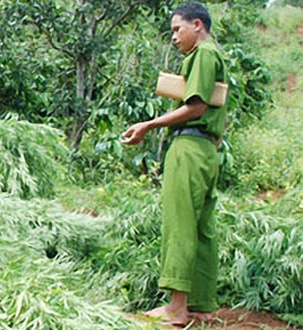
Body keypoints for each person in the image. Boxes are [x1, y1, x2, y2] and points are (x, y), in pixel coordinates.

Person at [122, 2, 228, 326]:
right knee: (202, 227)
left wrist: (148, 126)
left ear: (197, 24)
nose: (173, 37)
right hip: (207, 150)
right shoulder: (216, 56)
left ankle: (177, 307)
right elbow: (215, 109)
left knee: (180, 223)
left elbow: (195, 107)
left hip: (189, 147)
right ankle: (201, 304)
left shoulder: (203, 55)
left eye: (177, 29)